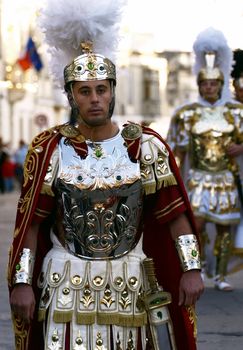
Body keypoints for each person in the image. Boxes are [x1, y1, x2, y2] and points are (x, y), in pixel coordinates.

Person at [7, 1, 203, 349]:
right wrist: (22, 282)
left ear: (112, 91)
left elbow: (174, 215)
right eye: (85, 91)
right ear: (71, 95)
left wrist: (190, 269)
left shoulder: (145, 146)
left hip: (128, 277)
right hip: (65, 279)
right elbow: (32, 223)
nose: (95, 99)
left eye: (102, 89)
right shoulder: (50, 149)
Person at [167, 27, 243, 292]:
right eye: (205, 83)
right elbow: (176, 149)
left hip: (225, 178)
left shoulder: (236, 112)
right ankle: (194, 269)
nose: (209, 87)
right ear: (199, 85)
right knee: (194, 225)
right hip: (197, 178)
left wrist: (240, 148)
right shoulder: (187, 114)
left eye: (214, 83)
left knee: (224, 229)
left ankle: (221, 276)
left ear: (220, 85)